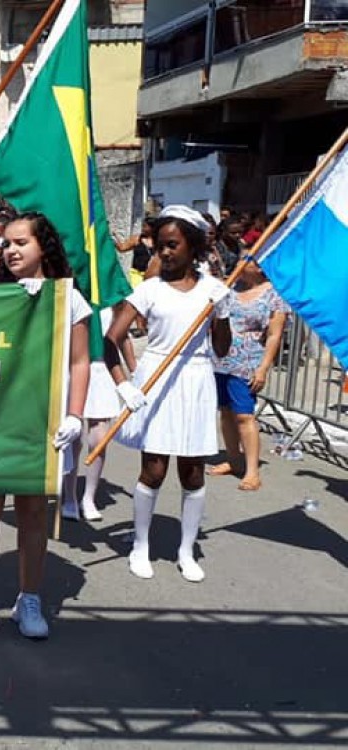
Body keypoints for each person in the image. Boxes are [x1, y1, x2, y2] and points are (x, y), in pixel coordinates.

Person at [0, 212, 90, 640]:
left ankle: (28, 597)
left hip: (43, 419)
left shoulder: (68, 298)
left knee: (33, 511)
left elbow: (79, 361)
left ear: (43, 247)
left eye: (21, 243)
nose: (11, 251)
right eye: (6, 243)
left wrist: (74, 414)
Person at [103, 205, 232, 583]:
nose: (165, 253)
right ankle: (140, 545)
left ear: (192, 247)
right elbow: (111, 339)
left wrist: (222, 313)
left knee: (192, 473)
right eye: (160, 246)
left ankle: (186, 549)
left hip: (195, 380)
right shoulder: (148, 290)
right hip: (155, 379)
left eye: (172, 245)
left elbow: (222, 349)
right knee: (154, 468)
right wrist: (124, 384)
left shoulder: (212, 290)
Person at [209, 260, 289, 491]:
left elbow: (274, 335)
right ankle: (233, 460)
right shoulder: (230, 289)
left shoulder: (274, 295)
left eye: (249, 260)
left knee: (244, 415)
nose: (242, 264)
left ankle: (252, 471)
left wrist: (263, 368)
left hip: (248, 361)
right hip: (221, 358)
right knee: (225, 412)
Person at [60, 304, 137, 522]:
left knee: (100, 438)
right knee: (72, 437)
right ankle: (69, 496)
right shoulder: (72, 295)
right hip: (73, 367)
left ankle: (89, 497)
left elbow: (122, 338)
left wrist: (135, 371)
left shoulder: (113, 301)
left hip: (103, 369)